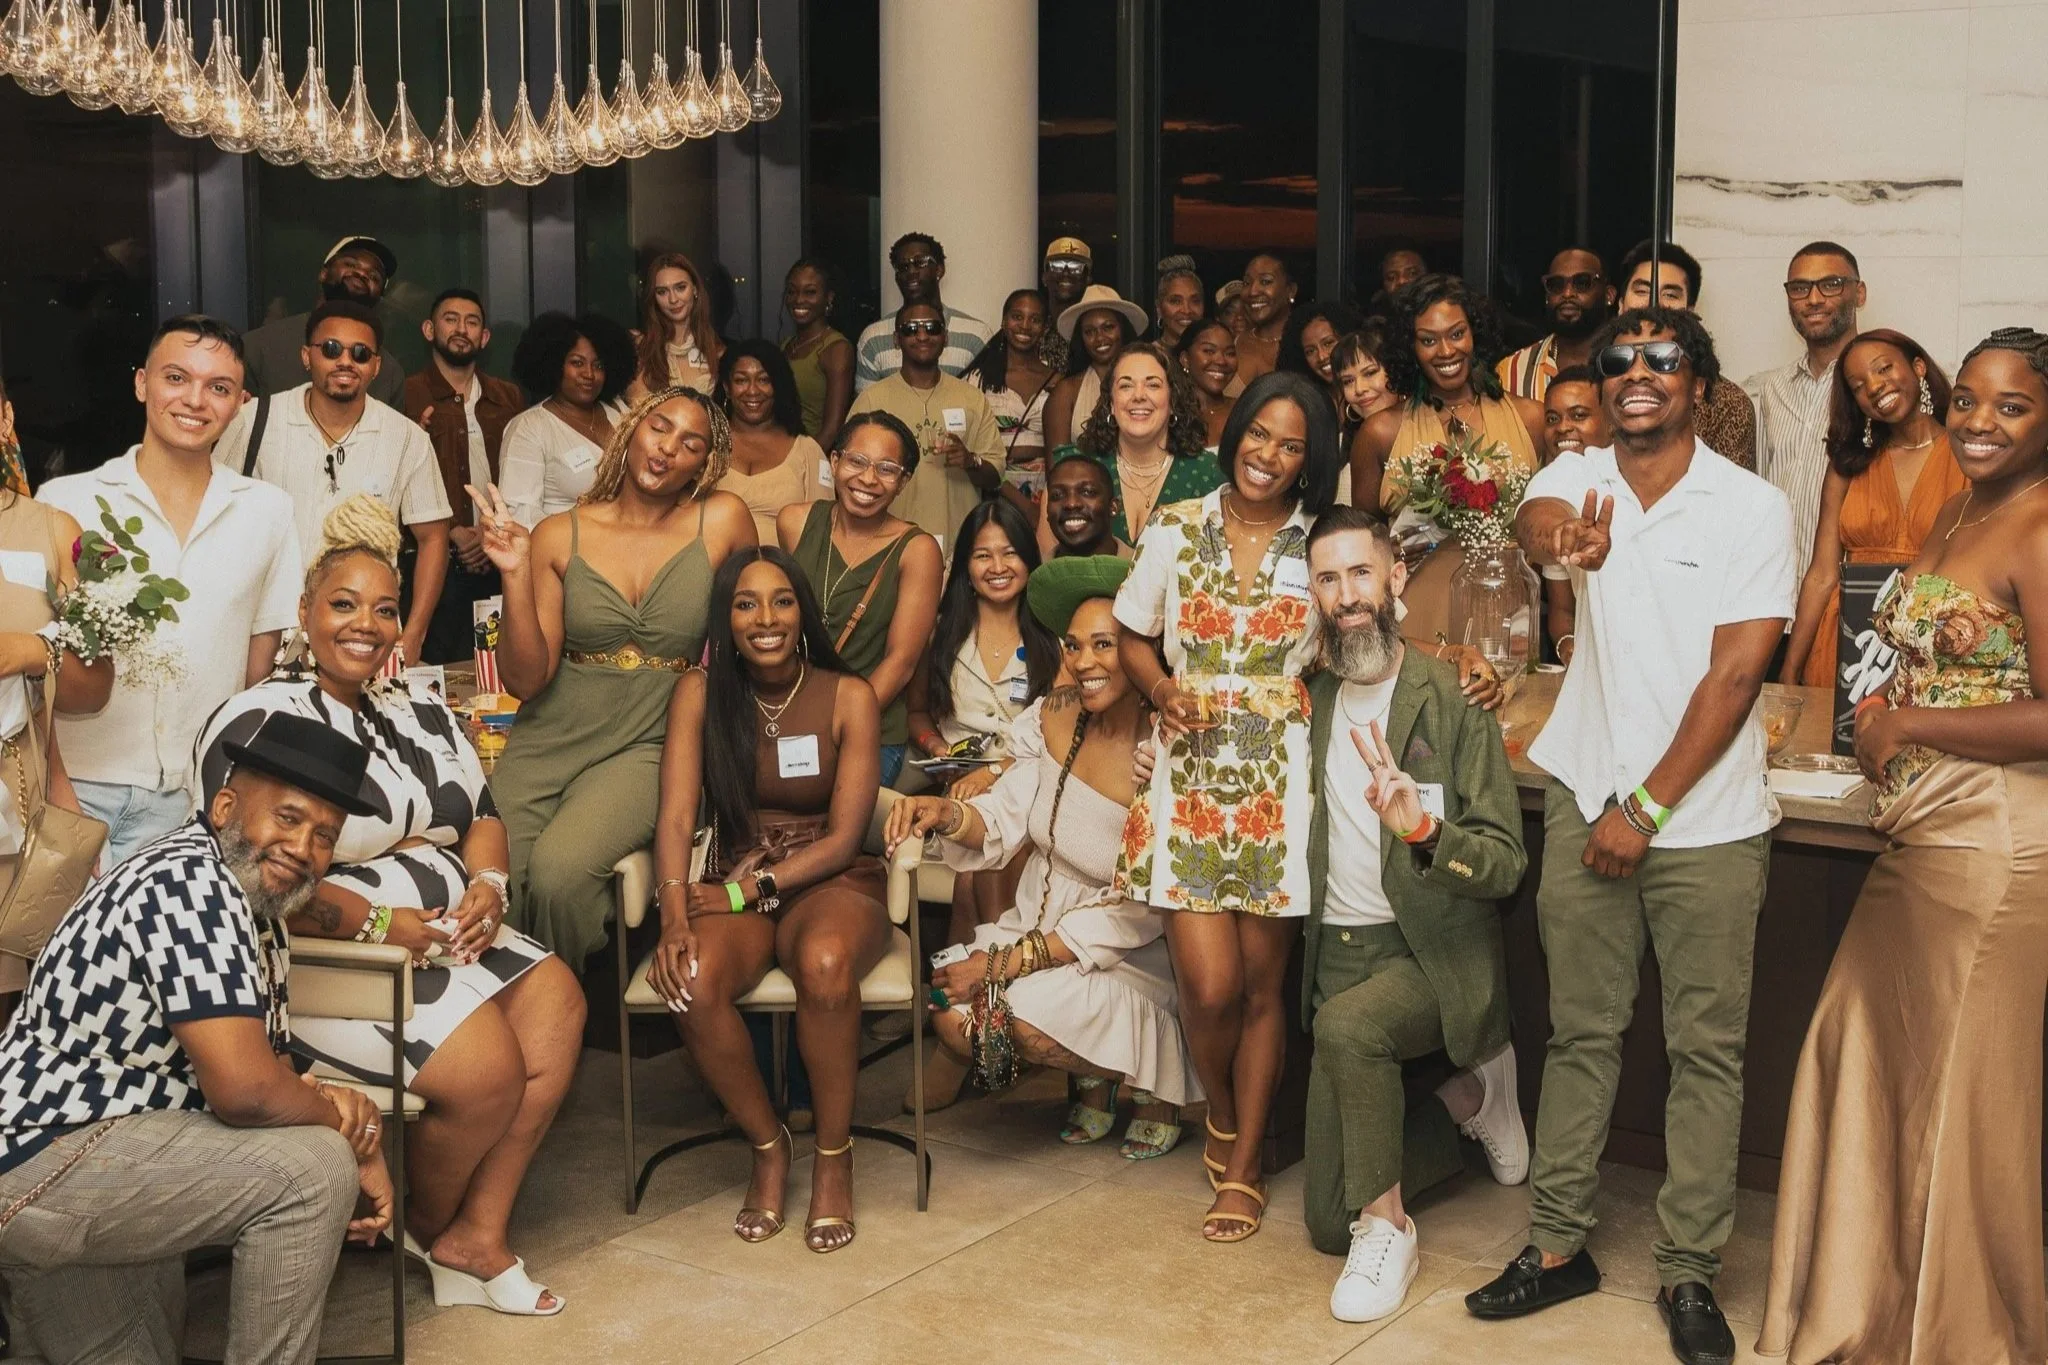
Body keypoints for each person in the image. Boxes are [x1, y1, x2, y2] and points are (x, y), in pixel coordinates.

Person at [1467, 307, 1795, 1365]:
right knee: (1581, 1033)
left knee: (1705, 1050)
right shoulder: (1573, 478)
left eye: (1662, 359)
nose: (1636, 373)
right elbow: (1536, 525)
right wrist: (1563, 544)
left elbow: (1735, 675)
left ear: (1697, 382)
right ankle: (1557, 1247)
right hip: (1583, 790)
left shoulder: (1749, 507)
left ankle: (1689, 1271)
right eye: (1618, 360)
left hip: (1701, 819)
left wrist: (1644, 810)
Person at [194, 495, 583, 1317]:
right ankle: (411, 1218)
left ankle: (476, 1229)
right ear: (304, 613)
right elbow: (253, 876)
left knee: (559, 1004)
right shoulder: (265, 718)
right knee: (486, 1072)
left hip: (445, 934)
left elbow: (480, 813)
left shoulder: (415, 704)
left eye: (384, 609)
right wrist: (385, 923)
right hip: (331, 957)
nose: (365, 625)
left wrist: (489, 887)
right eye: (343, 605)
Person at [1758, 327, 2048, 1365]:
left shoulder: (2040, 525)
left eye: (2008, 406)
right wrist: (1886, 700)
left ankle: (1964, 1339)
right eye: (1966, 399)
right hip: (1926, 836)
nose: (1976, 421)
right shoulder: (1969, 502)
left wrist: (1908, 727)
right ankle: (1873, 1320)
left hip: (1996, 848)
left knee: (1956, 1103)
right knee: (1869, 1058)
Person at [0, 711, 391, 1364]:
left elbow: (268, 1071)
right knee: (311, 1170)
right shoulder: (190, 885)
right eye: (289, 818)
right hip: (50, 1159)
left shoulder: (250, 904)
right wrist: (350, 1131)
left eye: (325, 835)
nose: (304, 847)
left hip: (87, 1160)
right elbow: (247, 1093)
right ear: (226, 805)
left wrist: (349, 1121)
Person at [1113, 370, 1342, 1243]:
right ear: (1234, 431)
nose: (1270, 455)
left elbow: (1366, 624)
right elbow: (1133, 632)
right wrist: (1163, 689)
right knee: (1206, 989)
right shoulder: (1175, 527)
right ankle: (1222, 1109)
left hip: (1282, 780)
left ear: (1308, 459)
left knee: (1259, 986)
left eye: (1292, 445)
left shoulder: (1320, 539)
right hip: (1191, 772)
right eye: (1260, 434)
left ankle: (1245, 1162)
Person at [889, 554, 1202, 1159]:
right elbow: (1006, 810)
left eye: (1105, 645)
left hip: (1128, 950)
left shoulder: (1168, 747)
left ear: (1145, 651)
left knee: (1004, 1020)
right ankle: (1094, 1077)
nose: (1084, 662)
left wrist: (1007, 964)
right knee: (952, 1014)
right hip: (1040, 919)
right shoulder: (1054, 716)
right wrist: (946, 814)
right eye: (1075, 645)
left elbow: (1141, 908)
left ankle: (1151, 1084)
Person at [1296, 507, 1528, 1323]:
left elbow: (1505, 861)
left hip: (1430, 955)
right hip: (1336, 957)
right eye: (1328, 578)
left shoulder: (1454, 694)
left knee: (1354, 1030)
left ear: (1396, 577)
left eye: (1361, 572)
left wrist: (1426, 830)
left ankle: (1390, 1226)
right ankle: (1473, 1100)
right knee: (1326, 1218)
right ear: (1314, 594)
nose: (1347, 594)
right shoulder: (1310, 695)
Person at [646, 547, 888, 1253]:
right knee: (688, 978)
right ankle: (768, 1142)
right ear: (726, 617)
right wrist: (672, 917)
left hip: (828, 878)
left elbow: (845, 839)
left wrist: (741, 889)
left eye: (781, 600)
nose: (765, 618)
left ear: (802, 609)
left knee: (823, 959)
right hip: (735, 874)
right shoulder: (699, 692)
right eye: (745, 603)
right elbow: (673, 816)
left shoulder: (848, 695)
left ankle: (835, 1161)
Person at [481, 387, 755, 972]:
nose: (667, 450)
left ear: (705, 463)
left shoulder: (724, 518)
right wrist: (514, 576)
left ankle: (555, 1009)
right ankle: (488, 1014)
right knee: (493, 870)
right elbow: (527, 681)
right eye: (660, 428)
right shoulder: (560, 532)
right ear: (631, 429)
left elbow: (752, 634)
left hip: (653, 739)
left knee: (559, 874)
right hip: (551, 732)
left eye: (690, 443)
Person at [42, 316, 302, 863]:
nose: (195, 400)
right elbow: (35, 668)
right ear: (142, 384)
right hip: (76, 789)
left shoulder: (268, 512)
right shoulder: (67, 500)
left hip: (194, 803)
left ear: (240, 404)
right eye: (176, 378)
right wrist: (56, 792)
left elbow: (261, 672)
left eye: (219, 387)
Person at [213, 300, 452, 668]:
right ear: (307, 357)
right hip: (264, 637)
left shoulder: (406, 438)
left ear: (376, 366)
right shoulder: (253, 420)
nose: (345, 362)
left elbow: (433, 537)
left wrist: (414, 634)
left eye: (360, 353)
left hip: (364, 639)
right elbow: (213, 517)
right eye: (330, 349)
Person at [1353, 276, 1545, 645]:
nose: (1445, 351)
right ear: (1411, 348)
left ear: (1476, 334)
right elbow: (1364, 541)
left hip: (1504, 613)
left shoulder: (1530, 419)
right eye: (1428, 340)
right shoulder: (1382, 431)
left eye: (1456, 334)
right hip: (1414, 615)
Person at [905, 500, 1060, 931]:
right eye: (982, 555)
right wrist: (939, 749)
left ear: (1030, 561)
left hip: (1032, 783)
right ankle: (986, 984)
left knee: (976, 877)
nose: (997, 566)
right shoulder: (939, 632)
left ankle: (973, 980)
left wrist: (993, 773)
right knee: (977, 867)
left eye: (1010, 553)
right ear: (966, 567)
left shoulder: (1056, 636)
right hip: (959, 788)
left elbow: (1061, 733)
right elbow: (916, 713)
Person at [1780, 329, 1964, 688]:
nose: (1874, 387)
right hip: (1847, 642)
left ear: (1918, 367)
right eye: (1858, 385)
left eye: (1883, 369)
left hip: (1936, 645)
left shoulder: (1967, 458)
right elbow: (1821, 574)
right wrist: (1790, 666)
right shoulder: (1848, 464)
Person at [779, 412, 944, 789]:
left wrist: (838, 727)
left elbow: (900, 663)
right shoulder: (795, 523)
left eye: (887, 469)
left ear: (903, 482)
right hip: (788, 719)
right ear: (834, 462)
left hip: (869, 728)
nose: (868, 479)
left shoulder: (916, 551)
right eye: (857, 461)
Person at [0, 471, 115, 998]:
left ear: (5, 417)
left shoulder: (52, 532)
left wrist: (34, 651)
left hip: (15, 816)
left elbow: (91, 690)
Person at [403, 287, 528, 665]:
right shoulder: (407, 394)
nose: (462, 328)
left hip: (497, 557)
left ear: (484, 337)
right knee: (435, 670)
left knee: (496, 670)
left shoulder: (508, 397)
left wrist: (486, 532)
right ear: (429, 329)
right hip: (432, 561)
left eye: (472, 322)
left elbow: (519, 473)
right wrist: (452, 529)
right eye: (450, 319)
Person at [1748, 241, 1867, 582]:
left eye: (1830, 285)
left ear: (1859, 293)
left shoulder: (1879, 387)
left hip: (1848, 599)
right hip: (1776, 593)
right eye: (1800, 288)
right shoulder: (1772, 389)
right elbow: (1764, 491)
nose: (1813, 299)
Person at [846, 303, 1005, 545]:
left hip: (958, 545)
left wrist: (970, 461)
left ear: (945, 337)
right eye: (911, 329)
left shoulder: (972, 398)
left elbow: (995, 476)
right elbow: (847, 473)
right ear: (896, 339)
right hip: (887, 545)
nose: (922, 336)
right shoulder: (871, 400)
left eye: (932, 328)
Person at [1064, 341, 1225, 547]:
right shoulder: (1075, 470)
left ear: (1173, 401)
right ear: (1111, 403)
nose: (1139, 396)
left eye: (1153, 385)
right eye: (1126, 385)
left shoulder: (1209, 473)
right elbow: (1049, 567)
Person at [1616, 239, 1756, 469]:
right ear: (1620, 304)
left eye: (1670, 295)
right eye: (1642, 291)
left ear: (1690, 311)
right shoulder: (1599, 386)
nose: (1654, 304)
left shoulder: (1727, 403)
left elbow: (1735, 494)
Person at [496, 311, 640, 529]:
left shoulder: (618, 410)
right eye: (577, 363)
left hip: (629, 546)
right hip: (567, 554)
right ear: (554, 365)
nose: (589, 374)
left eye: (598, 365)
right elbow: (521, 516)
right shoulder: (528, 428)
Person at [242, 235, 405, 405]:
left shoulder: (389, 373)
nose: (361, 274)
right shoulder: (259, 346)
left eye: (374, 277)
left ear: (380, 297)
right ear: (323, 273)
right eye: (350, 264)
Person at [1536, 365, 1614, 665]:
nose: (1563, 427)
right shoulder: (1552, 489)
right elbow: (1562, 610)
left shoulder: (1632, 488)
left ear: (1610, 421)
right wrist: (1569, 647)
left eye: (1579, 415)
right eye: (1552, 419)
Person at [715, 339, 830, 543]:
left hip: (783, 571)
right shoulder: (707, 443)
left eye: (764, 380)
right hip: (714, 569)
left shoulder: (807, 450)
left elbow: (824, 531)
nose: (752, 391)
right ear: (726, 387)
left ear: (778, 386)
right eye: (741, 380)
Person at [853, 233, 990, 390]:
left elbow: (984, 404)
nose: (911, 271)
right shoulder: (873, 339)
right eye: (903, 267)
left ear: (939, 270)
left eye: (920, 263)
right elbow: (866, 411)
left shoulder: (976, 335)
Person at [964, 288, 1057, 506]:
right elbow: (970, 449)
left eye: (1035, 319)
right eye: (1017, 317)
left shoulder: (1058, 381)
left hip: (1046, 493)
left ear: (1044, 328)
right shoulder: (979, 380)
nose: (1025, 326)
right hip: (993, 490)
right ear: (1004, 322)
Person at [1496, 248, 1616, 402]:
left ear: (1609, 295)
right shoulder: (1512, 370)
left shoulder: (1629, 362)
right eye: (1556, 285)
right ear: (1547, 295)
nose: (1567, 293)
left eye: (1582, 283)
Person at [1044, 285, 1147, 452]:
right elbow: (1057, 466)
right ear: (1081, 338)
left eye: (1108, 327)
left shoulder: (1149, 384)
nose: (1099, 338)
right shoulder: (1066, 392)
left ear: (1122, 329)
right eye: (1089, 331)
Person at [629, 252, 725, 401]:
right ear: (654, 298)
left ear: (694, 289)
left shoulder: (718, 352)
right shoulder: (641, 349)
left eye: (680, 288)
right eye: (662, 292)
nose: (673, 299)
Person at [781, 258, 854, 448]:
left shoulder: (836, 349)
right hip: (780, 452)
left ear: (828, 298)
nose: (798, 299)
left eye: (810, 292)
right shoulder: (786, 346)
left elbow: (832, 430)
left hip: (810, 457)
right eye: (792, 291)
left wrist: (802, 464)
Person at [1333, 328, 1397, 504]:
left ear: (1397, 370)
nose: (1359, 389)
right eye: (1348, 381)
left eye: (1370, 373)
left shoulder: (1431, 427)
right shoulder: (1336, 448)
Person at [1278, 299, 1364, 415]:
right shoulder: (1307, 405)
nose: (1321, 356)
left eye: (1328, 343)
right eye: (1310, 351)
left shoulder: (1368, 394)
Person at [1042, 450, 1126, 559]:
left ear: (1113, 507)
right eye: (1057, 495)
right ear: (1047, 510)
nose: (1071, 504)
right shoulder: (1032, 574)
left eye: (1088, 492)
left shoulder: (1147, 570)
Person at [1234, 252, 1298, 386]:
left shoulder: (1306, 345)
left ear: (1290, 290)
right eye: (1246, 283)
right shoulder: (1232, 345)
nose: (1253, 291)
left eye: (1265, 281)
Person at [1179, 318, 1239, 450]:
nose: (1221, 361)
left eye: (1230, 353)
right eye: (1209, 351)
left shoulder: (1244, 410)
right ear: (1185, 359)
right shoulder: (1172, 414)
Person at [1039, 235, 1094, 372]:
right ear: (1044, 277)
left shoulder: (1095, 329)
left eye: (1076, 267)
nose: (1066, 273)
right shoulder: (1031, 325)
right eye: (1057, 266)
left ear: (1088, 279)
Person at [1153, 254, 1206, 351]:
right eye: (1176, 301)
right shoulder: (1146, 358)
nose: (1187, 310)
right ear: (1159, 308)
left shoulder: (1215, 358)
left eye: (1195, 301)